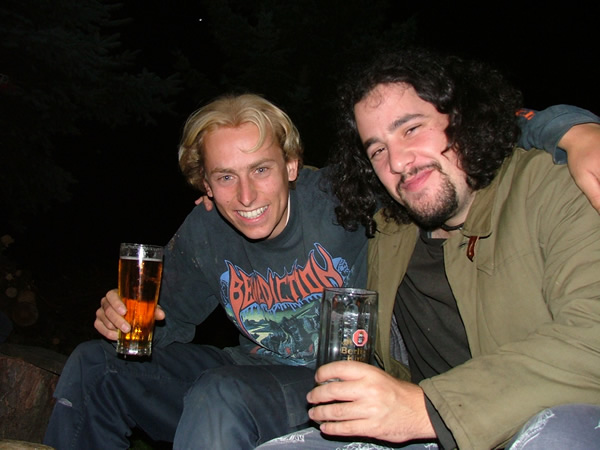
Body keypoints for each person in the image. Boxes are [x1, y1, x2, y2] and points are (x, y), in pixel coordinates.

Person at [44, 92, 600, 450]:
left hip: (338, 379)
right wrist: (125, 321)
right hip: (250, 368)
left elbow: (443, 148)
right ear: (204, 184)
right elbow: (164, 329)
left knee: (221, 394)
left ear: (291, 165)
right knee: (96, 365)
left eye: (262, 169)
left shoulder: (343, 196)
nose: (246, 196)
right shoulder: (205, 229)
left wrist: (572, 131)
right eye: (225, 177)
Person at [257, 50, 600, 449]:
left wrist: (427, 408)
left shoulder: (555, 187)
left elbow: (591, 339)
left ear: (463, 118)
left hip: (543, 421)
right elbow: (288, 197)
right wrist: (223, 201)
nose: (398, 161)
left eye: (411, 129)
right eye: (377, 150)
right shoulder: (387, 231)